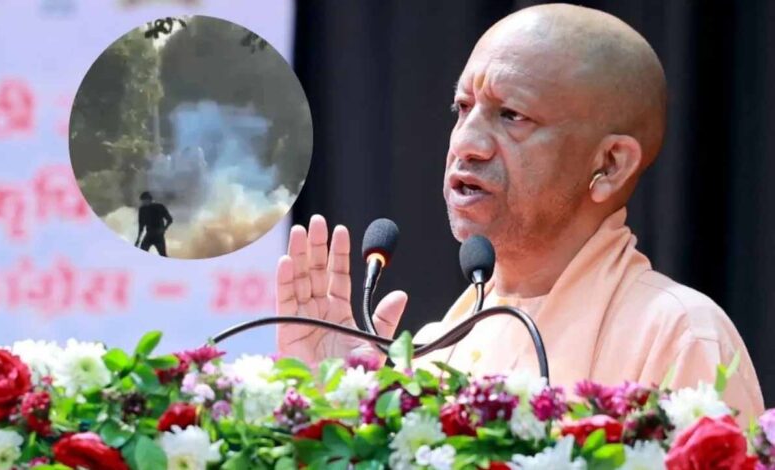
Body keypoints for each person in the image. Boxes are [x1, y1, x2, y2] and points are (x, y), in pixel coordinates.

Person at [274, 4, 764, 422]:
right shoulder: (436, 349)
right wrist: (336, 405)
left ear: (610, 164)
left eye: (512, 116)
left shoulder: (678, 336)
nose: (466, 143)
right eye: (463, 108)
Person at [135, 191, 172, 257]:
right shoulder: (142, 210)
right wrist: (138, 239)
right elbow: (141, 225)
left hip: (158, 235)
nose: (143, 202)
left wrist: (164, 229)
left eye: (145, 200)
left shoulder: (159, 207)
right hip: (149, 234)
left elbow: (169, 219)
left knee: (163, 256)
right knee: (141, 254)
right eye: (142, 201)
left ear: (149, 199)